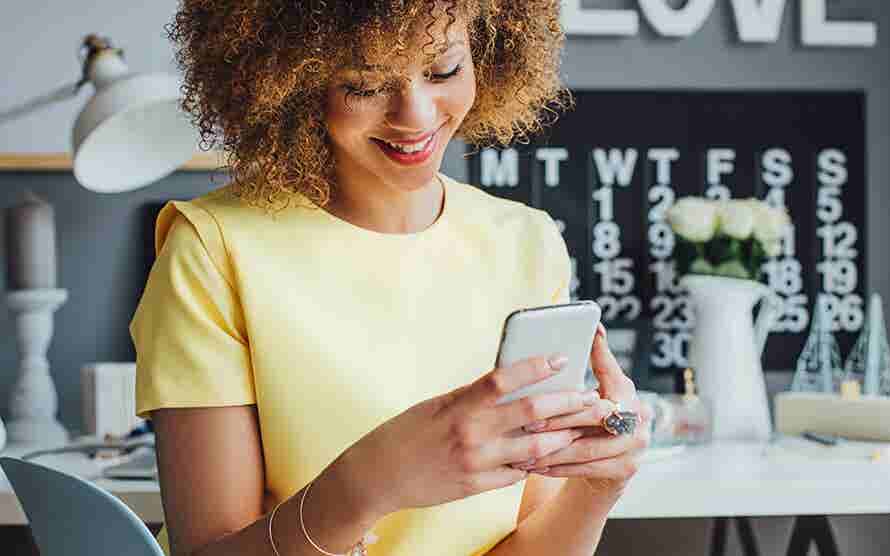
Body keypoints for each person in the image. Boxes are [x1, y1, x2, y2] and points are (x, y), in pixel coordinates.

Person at [130, 2, 652, 555]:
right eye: (365, 84)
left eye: (444, 70)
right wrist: (372, 483)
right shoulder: (214, 250)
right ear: (296, 82)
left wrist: (597, 489)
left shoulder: (527, 242)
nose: (417, 116)